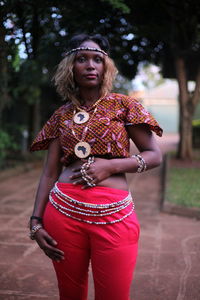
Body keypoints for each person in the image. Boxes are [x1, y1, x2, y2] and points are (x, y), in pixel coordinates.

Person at [29, 33, 163, 300]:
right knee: (70, 293)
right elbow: (49, 172)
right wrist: (35, 222)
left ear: (106, 67)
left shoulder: (125, 106)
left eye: (97, 59)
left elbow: (154, 155)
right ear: (71, 67)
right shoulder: (61, 115)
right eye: (82, 59)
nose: (90, 65)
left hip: (115, 216)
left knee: (114, 294)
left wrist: (111, 167)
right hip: (62, 213)